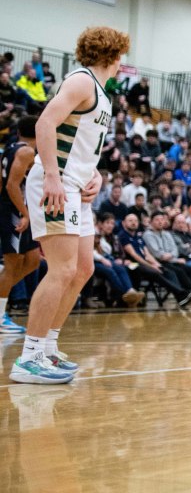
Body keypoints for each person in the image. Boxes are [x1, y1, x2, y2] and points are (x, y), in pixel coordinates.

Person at [10, 27, 125, 384]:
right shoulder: (82, 81)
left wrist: (98, 178)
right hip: (56, 184)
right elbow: (45, 122)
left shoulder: (101, 94)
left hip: (77, 186)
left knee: (82, 269)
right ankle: (29, 358)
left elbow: (82, 147)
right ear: (114, 55)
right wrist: (53, 178)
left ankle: (48, 347)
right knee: (61, 268)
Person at [1, 116, 43, 333]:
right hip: (14, 211)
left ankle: (1, 292)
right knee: (12, 264)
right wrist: (24, 214)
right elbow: (11, 186)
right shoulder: (26, 151)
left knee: (33, 260)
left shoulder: (12, 148)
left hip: (17, 210)